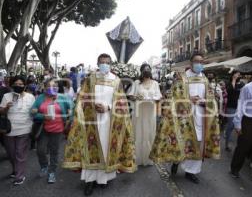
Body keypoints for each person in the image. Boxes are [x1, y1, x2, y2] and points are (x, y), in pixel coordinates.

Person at [63, 53, 136, 196]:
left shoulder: (116, 80)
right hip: (91, 121)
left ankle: (104, 179)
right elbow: (81, 99)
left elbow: (121, 102)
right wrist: (91, 106)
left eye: (107, 62)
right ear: (97, 63)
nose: (105, 65)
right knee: (91, 149)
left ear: (110, 64)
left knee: (106, 147)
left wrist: (108, 107)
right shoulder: (90, 79)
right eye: (102, 62)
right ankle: (89, 181)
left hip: (110, 121)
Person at [150, 52, 220, 184]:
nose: (199, 64)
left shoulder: (205, 80)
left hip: (200, 117)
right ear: (191, 63)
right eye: (197, 61)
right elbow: (171, 98)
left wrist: (204, 102)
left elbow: (212, 99)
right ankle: (177, 160)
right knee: (182, 141)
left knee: (197, 143)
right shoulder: (181, 79)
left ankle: (191, 172)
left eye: (201, 61)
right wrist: (188, 100)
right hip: (182, 118)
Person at [31, 79, 73, 184]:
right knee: (40, 150)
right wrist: (42, 115)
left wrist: (69, 113)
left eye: (54, 86)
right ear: (44, 88)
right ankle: (44, 166)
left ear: (58, 87)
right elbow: (32, 113)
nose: (52, 88)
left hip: (58, 129)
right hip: (44, 128)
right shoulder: (40, 98)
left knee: (54, 151)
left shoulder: (63, 97)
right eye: (49, 86)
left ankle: (52, 172)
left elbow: (73, 107)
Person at [0, 76, 35, 185]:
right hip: (9, 129)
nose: (19, 86)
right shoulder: (7, 96)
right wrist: (6, 108)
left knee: (20, 153)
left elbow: (34, 112)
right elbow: (1, 112)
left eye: (21, 84)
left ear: (25, 85)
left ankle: (19, 176)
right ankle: (16, 170)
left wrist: (35, 112)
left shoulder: (30, 97)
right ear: (12, 85)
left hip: (25, 129)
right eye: (16, 84)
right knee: (11, 153)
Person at [128, 63, 162, 166]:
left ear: (151, 71)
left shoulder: (155, 83)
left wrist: (155, 99)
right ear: (141, 72)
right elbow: (130, 96)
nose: (146, 71)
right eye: (144, 69)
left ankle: (148, 158)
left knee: (149, 133)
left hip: (150, 112)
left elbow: (159, 96)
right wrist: (136, 97)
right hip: (139, 112)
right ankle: (137, 157)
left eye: (148, 69)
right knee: (138, 133)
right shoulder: (137, 82)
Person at [224, 71, 244, 151]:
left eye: (239, 74)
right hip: (231, 107)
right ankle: (227, 144)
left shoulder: (242, 84)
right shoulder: (229, 83)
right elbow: (231, 90)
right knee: (231, 125)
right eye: (236, 74)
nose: (238, 75)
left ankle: (240, 145)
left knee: (240, 126)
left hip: (240, 107)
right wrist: (234, 80)